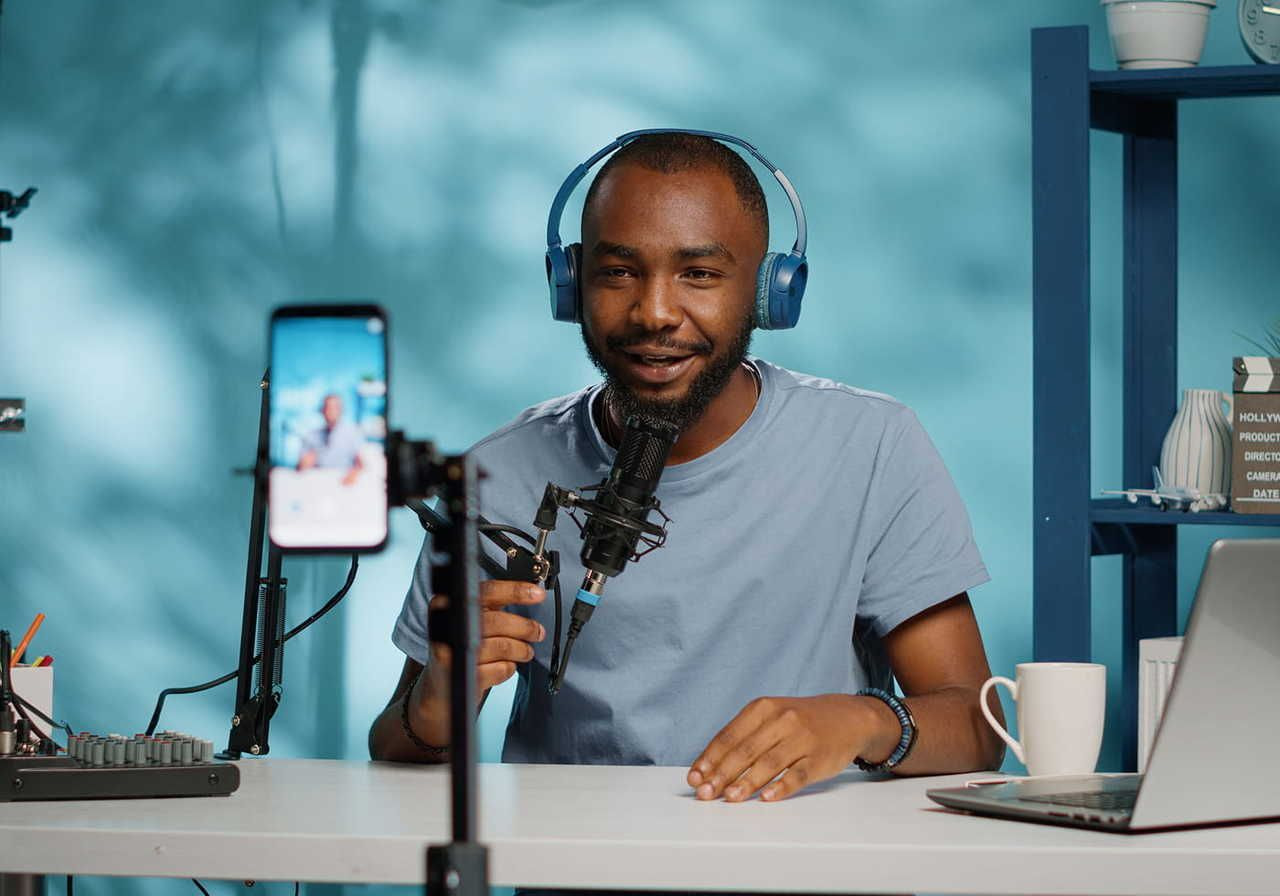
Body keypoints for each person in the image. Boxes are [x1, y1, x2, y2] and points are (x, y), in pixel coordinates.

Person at [369, 132, 1005, 801]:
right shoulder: (497, 472)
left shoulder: (872, 445)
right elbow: (397, 748)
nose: (655, 313)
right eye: (618, 272)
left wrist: (861, 722)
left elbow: (976, 726)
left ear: (769, 292)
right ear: (571, 283)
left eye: (698, 274)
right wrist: (438, 696)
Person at [297, 393, 364, 486]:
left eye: (334, 408)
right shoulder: (312, 436)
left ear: (341, 410)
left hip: (343, 484)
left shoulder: (353, 433)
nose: (331, 412)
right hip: (318, 483)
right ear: (322, 411)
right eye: (327, 408)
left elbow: (361, 464)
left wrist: (353, 474)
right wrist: (305, 463)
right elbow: (300, 467)